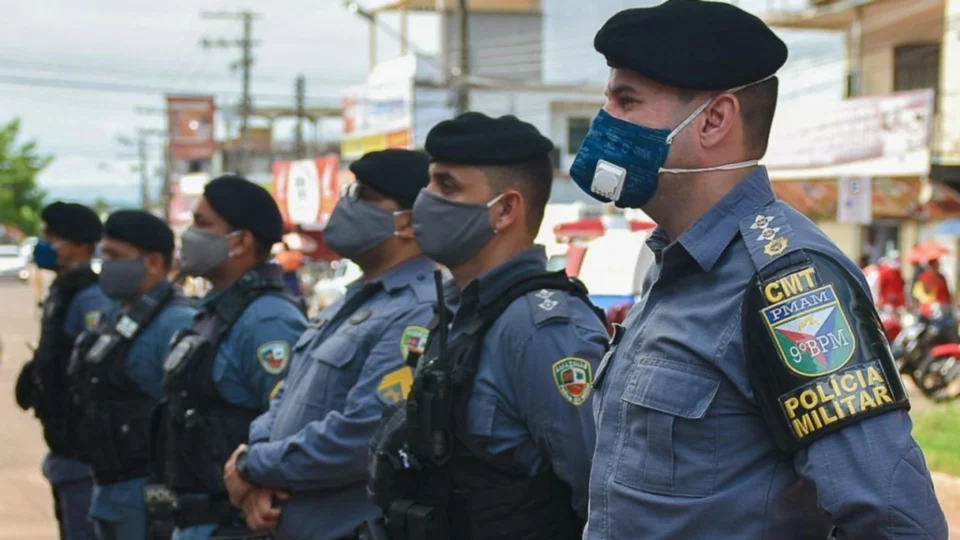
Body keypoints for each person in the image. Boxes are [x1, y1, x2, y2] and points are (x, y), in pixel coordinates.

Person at [567, 2, 948, 538]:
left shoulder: (788, 282)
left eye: (626, 101)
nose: (605, 121)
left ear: (715, 120)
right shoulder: (675, 265)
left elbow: (895, 521)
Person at [368, 112, 609, 540]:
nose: (425, 199)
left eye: (447, 185)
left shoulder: (542, 330)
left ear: (504, 210)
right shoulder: (461, 312)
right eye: (428, 183)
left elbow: (599, 496)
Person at [222, 149, 437, 539]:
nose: (345, 204)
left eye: (364, 196)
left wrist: (253, 466)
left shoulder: (419, 309)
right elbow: (284, 397)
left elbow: (364, 434)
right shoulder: (353, 299)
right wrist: (254, 470)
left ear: (407, 223)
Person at [152, 175, 308, 540]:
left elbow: (290, 423)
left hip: (236, 526)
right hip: (197, 521)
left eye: (202, 223)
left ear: (240, 242)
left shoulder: (267, 320)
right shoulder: (216, 312)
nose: (189, 234)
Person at [66, 210, 197, 540]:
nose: (106, 265)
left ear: (153, 262)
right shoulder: (117, 313)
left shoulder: (175, 322)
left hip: (147, 493)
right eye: (104, 254)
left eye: (115, 256)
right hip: (108, 484)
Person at [15, 202, 111, 540]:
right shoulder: (62, 289)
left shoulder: (91, 298)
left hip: (83, 454)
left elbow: (95, 372)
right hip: (63, 446)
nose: (43, 244)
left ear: (81, 246)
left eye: (52, 238)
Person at [913, 254, 952, 319]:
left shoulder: (941, 276)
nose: (938, 266)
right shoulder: (925, 276)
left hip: (944, 306)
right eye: (936, 264)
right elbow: (926, 290)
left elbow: (947, 292)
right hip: (930, 306)